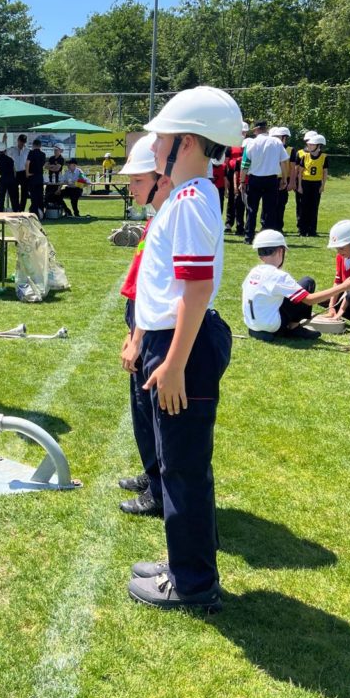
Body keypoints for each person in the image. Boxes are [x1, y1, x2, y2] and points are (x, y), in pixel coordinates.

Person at [127, 85, 242, 612]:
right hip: (172, 343)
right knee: (179, 462)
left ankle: (193, 582)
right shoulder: (188, 196)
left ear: (189, 143)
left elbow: (195, 289)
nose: (153, 149)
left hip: (182, 348)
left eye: (163, 139)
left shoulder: (192, 201)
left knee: (184, 466)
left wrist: (173, 364)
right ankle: (184, 562)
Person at [115, 134, 172, 518]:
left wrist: (137, 338)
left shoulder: (169, 218)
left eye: (137, 180)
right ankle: (153, 475)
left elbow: (159, 291)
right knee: (141, 412)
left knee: (151, 413)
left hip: (152, 331)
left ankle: (158, 488)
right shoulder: (158, 218)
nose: (130, 186)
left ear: (160, 180)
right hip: (141, 323)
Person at [242, 230, 350, 341]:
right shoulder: (278, 276)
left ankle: (270, 329)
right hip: (271, 325)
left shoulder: (253, 271)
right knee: (307, 282)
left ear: (260, 255)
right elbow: (309, 300)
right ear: (280, 251)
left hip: (251, 324)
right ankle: (294, 328)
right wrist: (344, 286)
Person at [240, 120, 289, 243]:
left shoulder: (250, 144)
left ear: (256, 130)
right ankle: (268, 237)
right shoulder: (277, 142)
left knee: (251, 209)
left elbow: (245, 165)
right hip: (271, 179)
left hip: (255, 179)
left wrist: (242, 181)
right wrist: (284, 178)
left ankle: (249, 236)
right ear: (266, 129)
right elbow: (284, 162)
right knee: (270, 209)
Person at [325, 219, 350, 343]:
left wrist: (339, 313)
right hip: (349, 295)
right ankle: (347, 313)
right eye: (337, 249)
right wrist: (331, 307)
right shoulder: (340, 257)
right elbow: (338, 282)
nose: (339, 252)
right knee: (325, 297)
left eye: (341, 248)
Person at [296, 132, 328, 237]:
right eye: (309, 144)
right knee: (304, 207)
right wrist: (299, 186)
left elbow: (325, 172)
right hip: (305, 183)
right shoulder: (305, 156)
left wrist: (322, 185)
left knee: (314, 207)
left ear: (319, 145)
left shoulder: (324, 157)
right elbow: (300, 172)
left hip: (316, 184)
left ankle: (312, 230)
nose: (309, 146)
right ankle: (302, 230)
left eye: (312, 145)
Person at [268, 127, 293, 232]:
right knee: (269, 204)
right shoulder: (269, 148)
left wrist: (291, 181)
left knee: (281, 204)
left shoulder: (290, 150)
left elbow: (293, 168)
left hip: (283, 179)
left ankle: (278, 226)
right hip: (271, 178)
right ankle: (268, 226)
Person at [223, 124, 246, 234]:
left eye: (244, 132)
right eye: (241, 132)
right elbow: (226, 162)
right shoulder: (230, 146)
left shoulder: (248, 145)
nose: (243, 134)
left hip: (245, 173)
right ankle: (228, 223)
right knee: (232, 200)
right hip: (232, 174)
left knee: (243, 201)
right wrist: (226, 177)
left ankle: (241, 224)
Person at [6, 133, 29, 211]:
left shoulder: (28, 151)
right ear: (18, 140)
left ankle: (22, 209)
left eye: (24, 142)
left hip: (24, 172)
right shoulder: (12, 149)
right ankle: (15, 209)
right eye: (21, 141)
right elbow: (3, 152)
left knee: (24, 193)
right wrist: (3, 140)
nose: (22, 143)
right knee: (14, 192)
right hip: (14, 173)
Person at [25, 138, 47, 219]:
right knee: (40, 196)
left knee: (33, 197)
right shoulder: (43, 154)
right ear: (40, 146)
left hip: (32, 177)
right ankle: (42, 214)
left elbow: (27, 163)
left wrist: (27, 173)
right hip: (40, 177)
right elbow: (43, 165)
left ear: (33, 145)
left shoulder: (31, 153)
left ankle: (34, 214)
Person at [0, 142, 15, 212]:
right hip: (11, 179)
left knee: (1, 198)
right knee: (13, 198)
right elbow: (14, 170)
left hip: (3, 179)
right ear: (5, 150)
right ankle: (16, 212)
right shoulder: (10, 159)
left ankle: (0, 213)